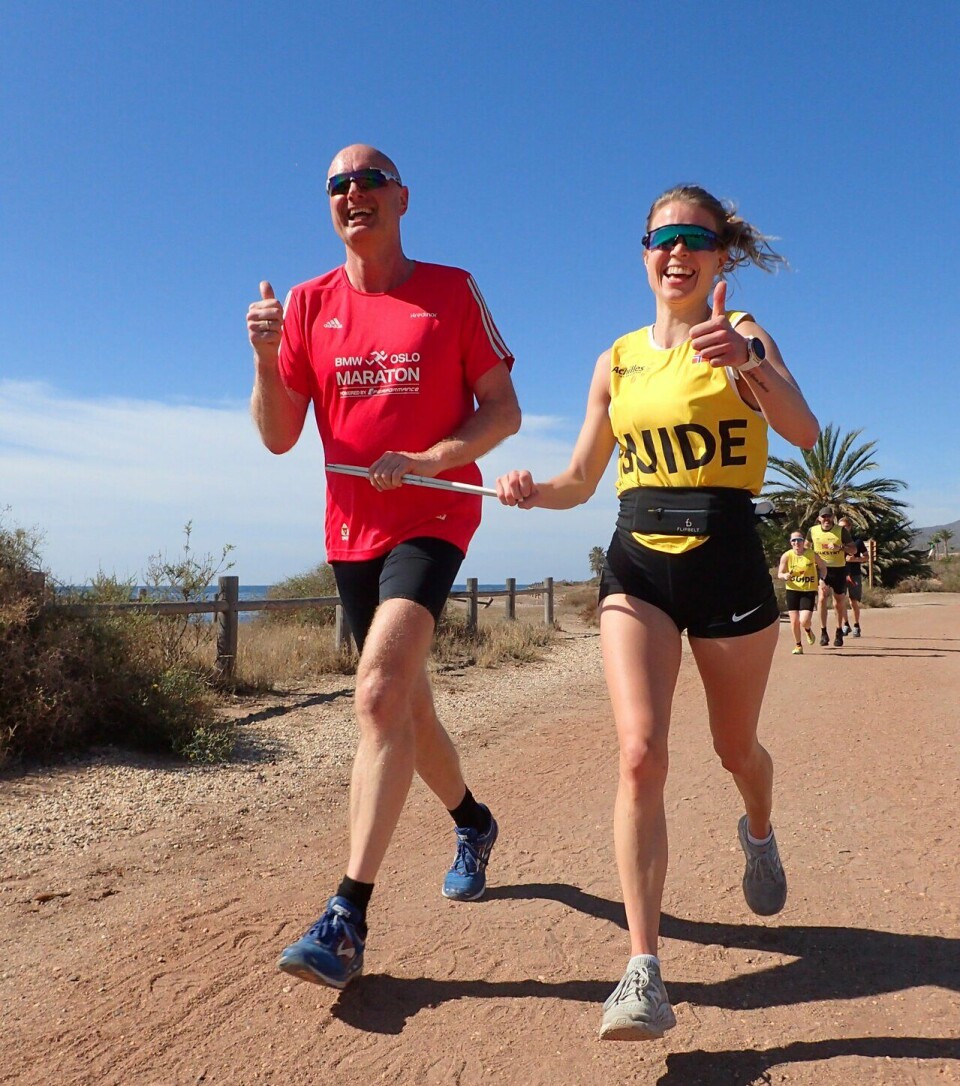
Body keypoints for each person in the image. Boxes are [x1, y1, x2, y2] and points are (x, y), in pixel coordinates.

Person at [496, 184, 819, 1042]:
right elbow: (579, 480)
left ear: (722, 257)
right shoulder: (616, 359)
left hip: (729, 561)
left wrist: (748, 364)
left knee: (733, 748)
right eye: (661, 238)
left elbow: (805, 432)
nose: (676, 252)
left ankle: (758, 826)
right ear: (644, 253)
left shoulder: (741, 334)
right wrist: (533, 492)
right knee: (640, 753)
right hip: (636, 560)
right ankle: (643, 970)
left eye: (694, 239)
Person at [247, 145, 521, 990]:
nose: (353, 193)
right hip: (351, 531)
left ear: (402, 198)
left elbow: (502, 409)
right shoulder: (306, 304)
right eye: (339, 185)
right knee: (405, 709)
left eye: (369, 181)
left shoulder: (450, 291)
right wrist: (263, 357)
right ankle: (473, 823)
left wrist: (444, 455)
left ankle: (347, 916)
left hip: (435, 515)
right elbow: (279, 434)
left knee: (375, 694)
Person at [807, 507, 855, 647]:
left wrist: (840, 548)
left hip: (839, 569)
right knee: (822, 598)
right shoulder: (813, 531)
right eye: (824, 517)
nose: (826, 519)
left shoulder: (841, 531)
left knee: (838, 601)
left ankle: (839, 630)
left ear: (833, 517)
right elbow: (806, 547)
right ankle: (823, 632)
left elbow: (853, 549)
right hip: (822, 569)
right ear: (819, 518)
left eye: (829, 517)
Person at [777, 531, 825, 653]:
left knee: (804, 620)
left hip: (808, 589)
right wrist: (785, 575)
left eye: (799, 540)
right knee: (794, 621)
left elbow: (823, 568)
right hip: (792, 589)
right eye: (794, 540)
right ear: (790, 542)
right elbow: (779, 574)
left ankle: (808, 630)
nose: (796, 542)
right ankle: (798, 646)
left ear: (803, 541)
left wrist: (822, 580)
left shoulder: (812, 554)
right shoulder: (787, 556)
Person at [838, 515, 868, 636]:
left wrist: (855, 559)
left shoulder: (857, 541)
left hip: (854, 574)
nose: (843, 529)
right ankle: (846, 624)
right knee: (841, 600)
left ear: (850, 527)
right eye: (840, 527)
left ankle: (856, 625)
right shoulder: (836, 543)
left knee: (853, 601)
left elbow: (866, 557)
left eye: (845, 527)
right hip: (840, 574)